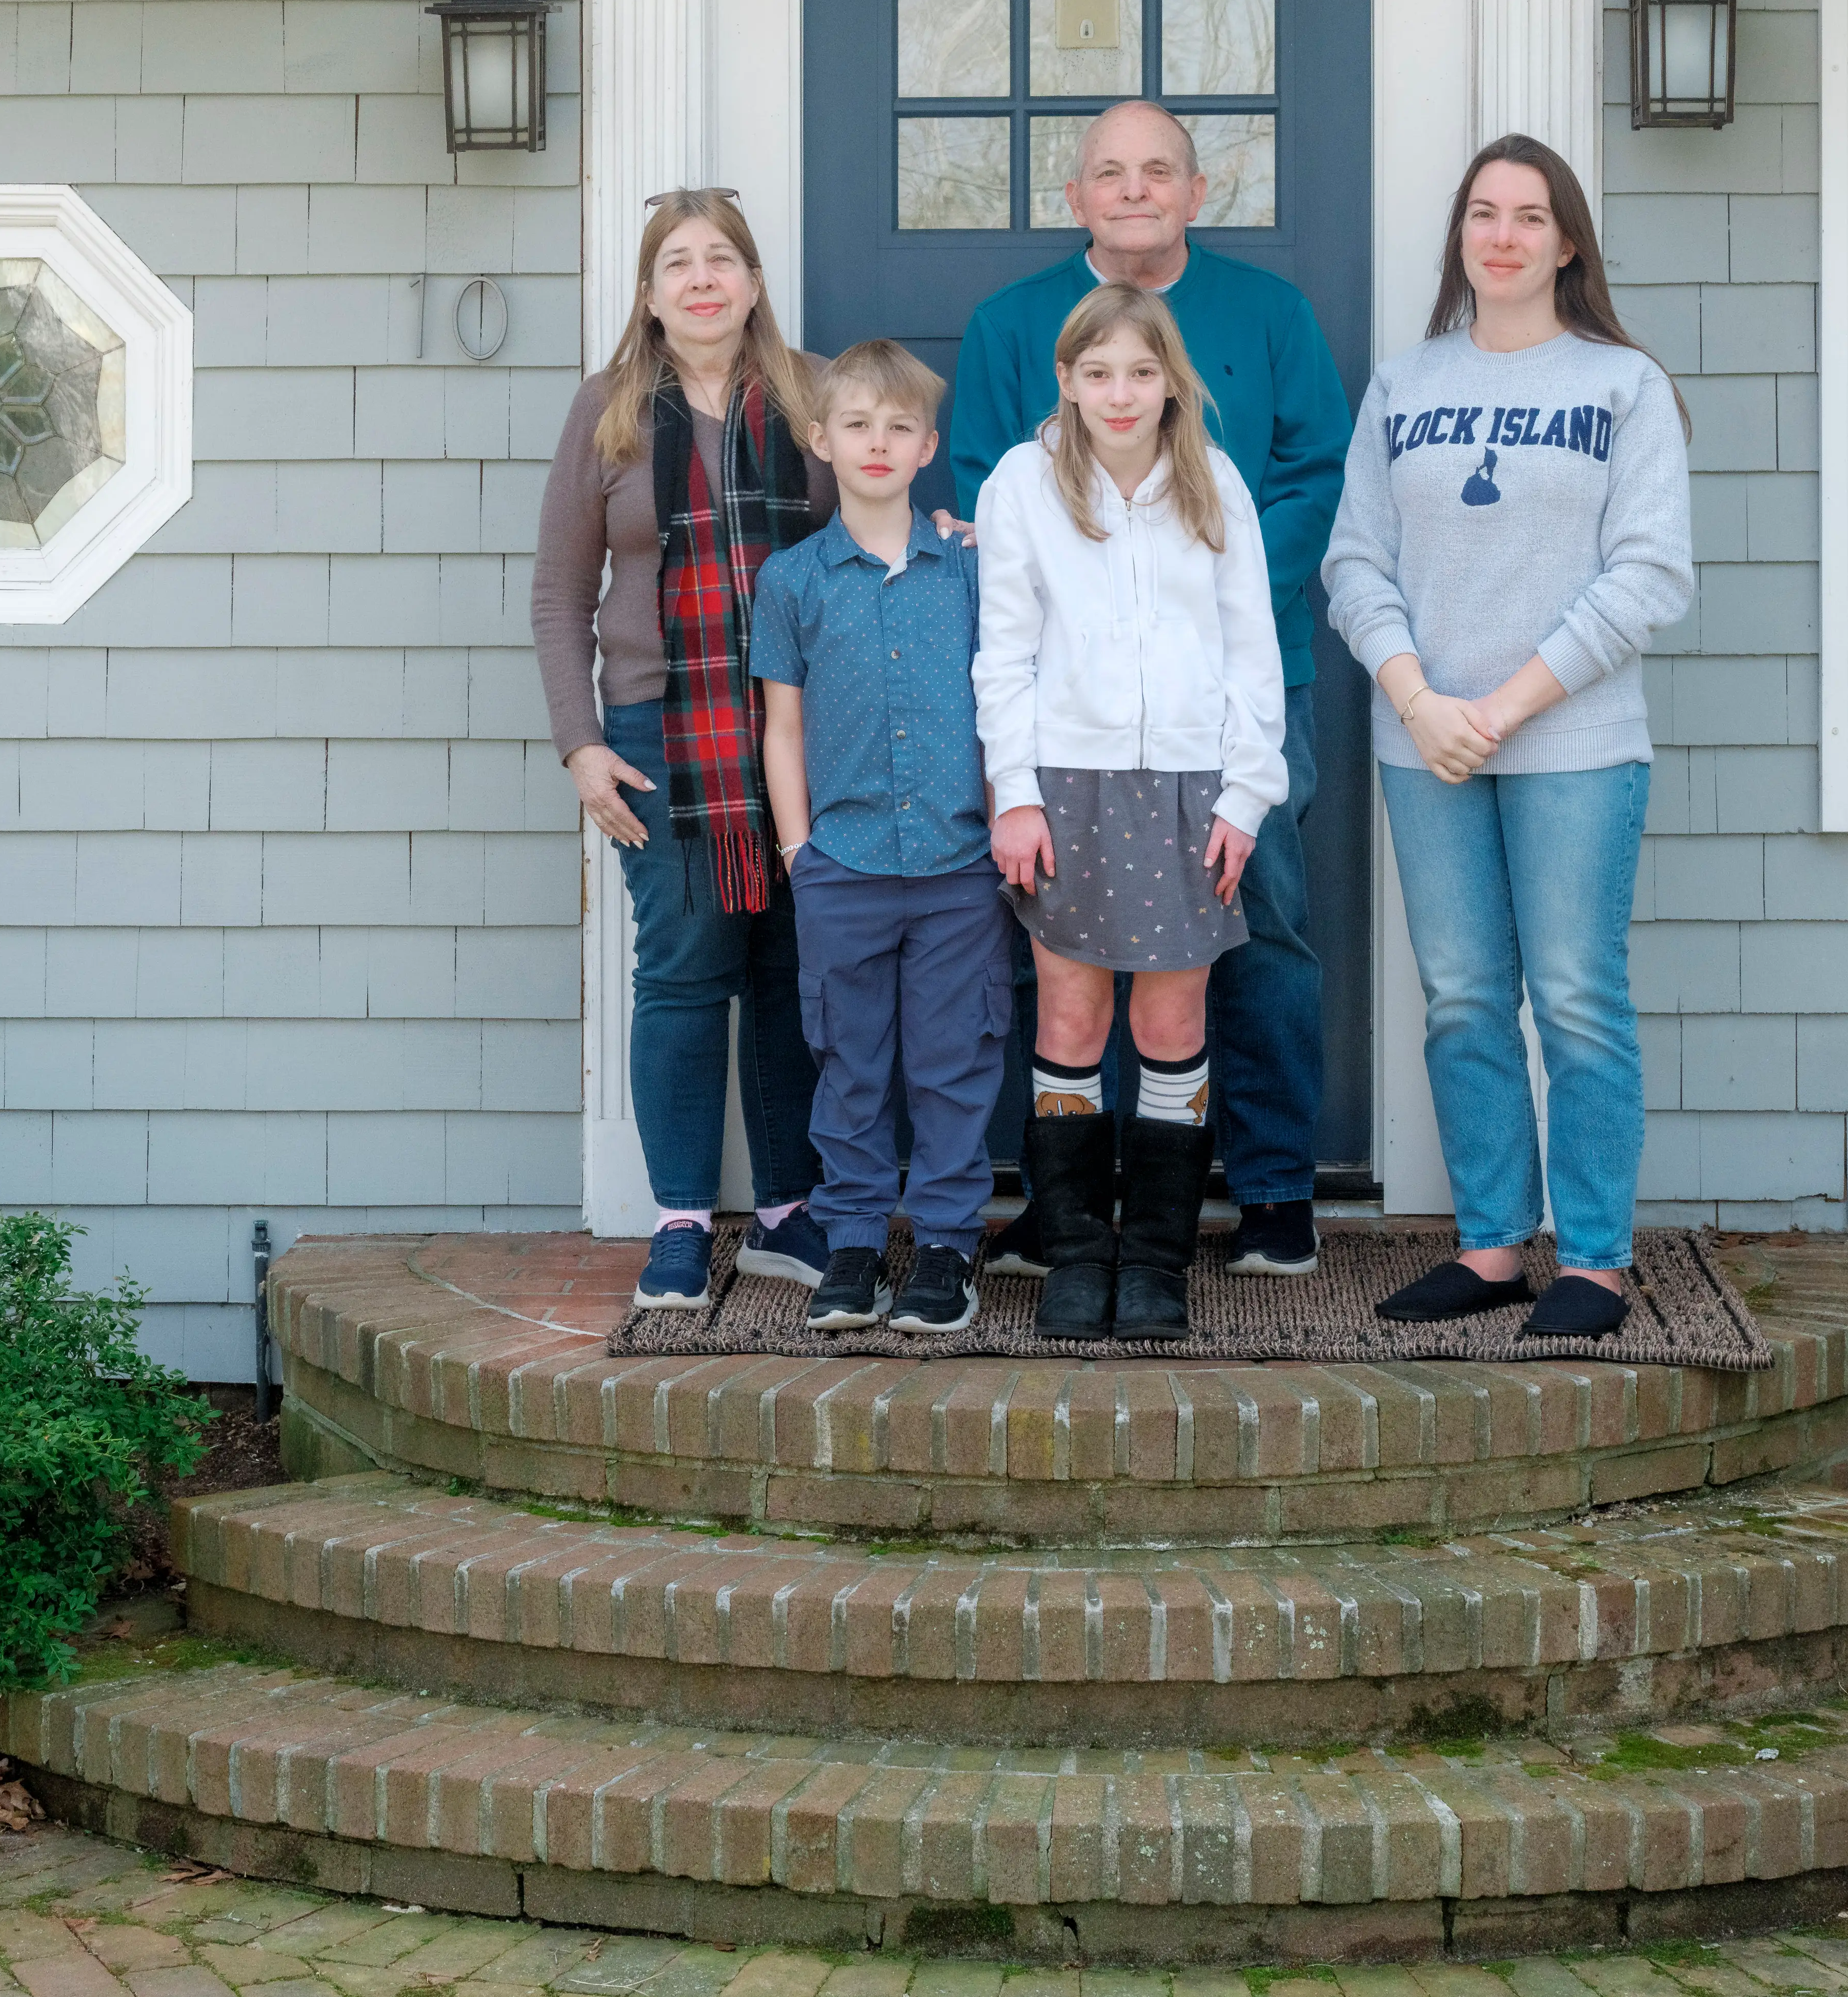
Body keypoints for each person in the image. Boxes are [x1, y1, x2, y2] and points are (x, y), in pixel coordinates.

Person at [951, 100, 1350, 1276]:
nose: (1134, 190)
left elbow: (1314, 476)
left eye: (1158, 170)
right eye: (1109, 173)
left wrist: (1203, 581)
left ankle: (1273, 1187)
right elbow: (982, 495)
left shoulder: (1271, 316)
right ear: (1075, 195)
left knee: (1259, 922)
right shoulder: (1010, 324)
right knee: (1067, 937)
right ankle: (1071, 1207)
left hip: (1241, 681)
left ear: (1196, 189)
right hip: (1072, 708)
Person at [1320, 134, 1693, 1342]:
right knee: (1463, 997)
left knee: (1578, 998)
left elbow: (1647, 577)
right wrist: (1418, 695)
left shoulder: (1620, 387)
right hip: (1424, 739)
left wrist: (1507, 703)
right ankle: (1490, 1247)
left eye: (1529, 215)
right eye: (1482, 212)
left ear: (1567, 241)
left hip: (1572, 741)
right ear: (1461, 237)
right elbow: (1353, 561)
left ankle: (1591, 1261)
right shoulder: (1403, 384)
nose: (1503, 235)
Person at [531, 190, 830, 1312]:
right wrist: (581, 746)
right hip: (663, 730)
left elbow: (874, 541)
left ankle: (794, 1211)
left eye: (722, 260)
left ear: (752, 281)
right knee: (686, 971)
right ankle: (680, 1223)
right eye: (677, 264)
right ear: (651, 297)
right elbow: (561, 594)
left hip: (805, 726)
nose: (702, 279)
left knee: (795, 970)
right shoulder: (606, 412)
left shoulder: (815, 395)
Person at [973, 284, 1289, 1336]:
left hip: (1192, 785)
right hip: (1066, 780)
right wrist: (1012, 795)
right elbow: (1004, 651)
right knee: (1070, 1014)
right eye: (1097, 373)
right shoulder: (1025, 482)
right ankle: (1072, 1248)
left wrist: (1245, 793)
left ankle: (1154, 1255)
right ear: (1064, 379)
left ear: (1170, 383)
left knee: (1170, 1017)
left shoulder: (1212, 483)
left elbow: (1253, 651)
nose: (1119, 394)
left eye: (1140, 374)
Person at [752, 341, 1009, 1339]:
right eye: (856, 424)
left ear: (927, 446)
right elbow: (780, 725)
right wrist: (796, 854)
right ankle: (854, 1237)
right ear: (821, 439)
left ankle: (945, 1243)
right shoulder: (792, 580)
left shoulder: (970, 571)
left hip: (957, 867)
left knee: (952, 1058)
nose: (876, 441)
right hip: (842, 867)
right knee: (850, 1058)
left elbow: (1007, 703)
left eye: (898, 426)